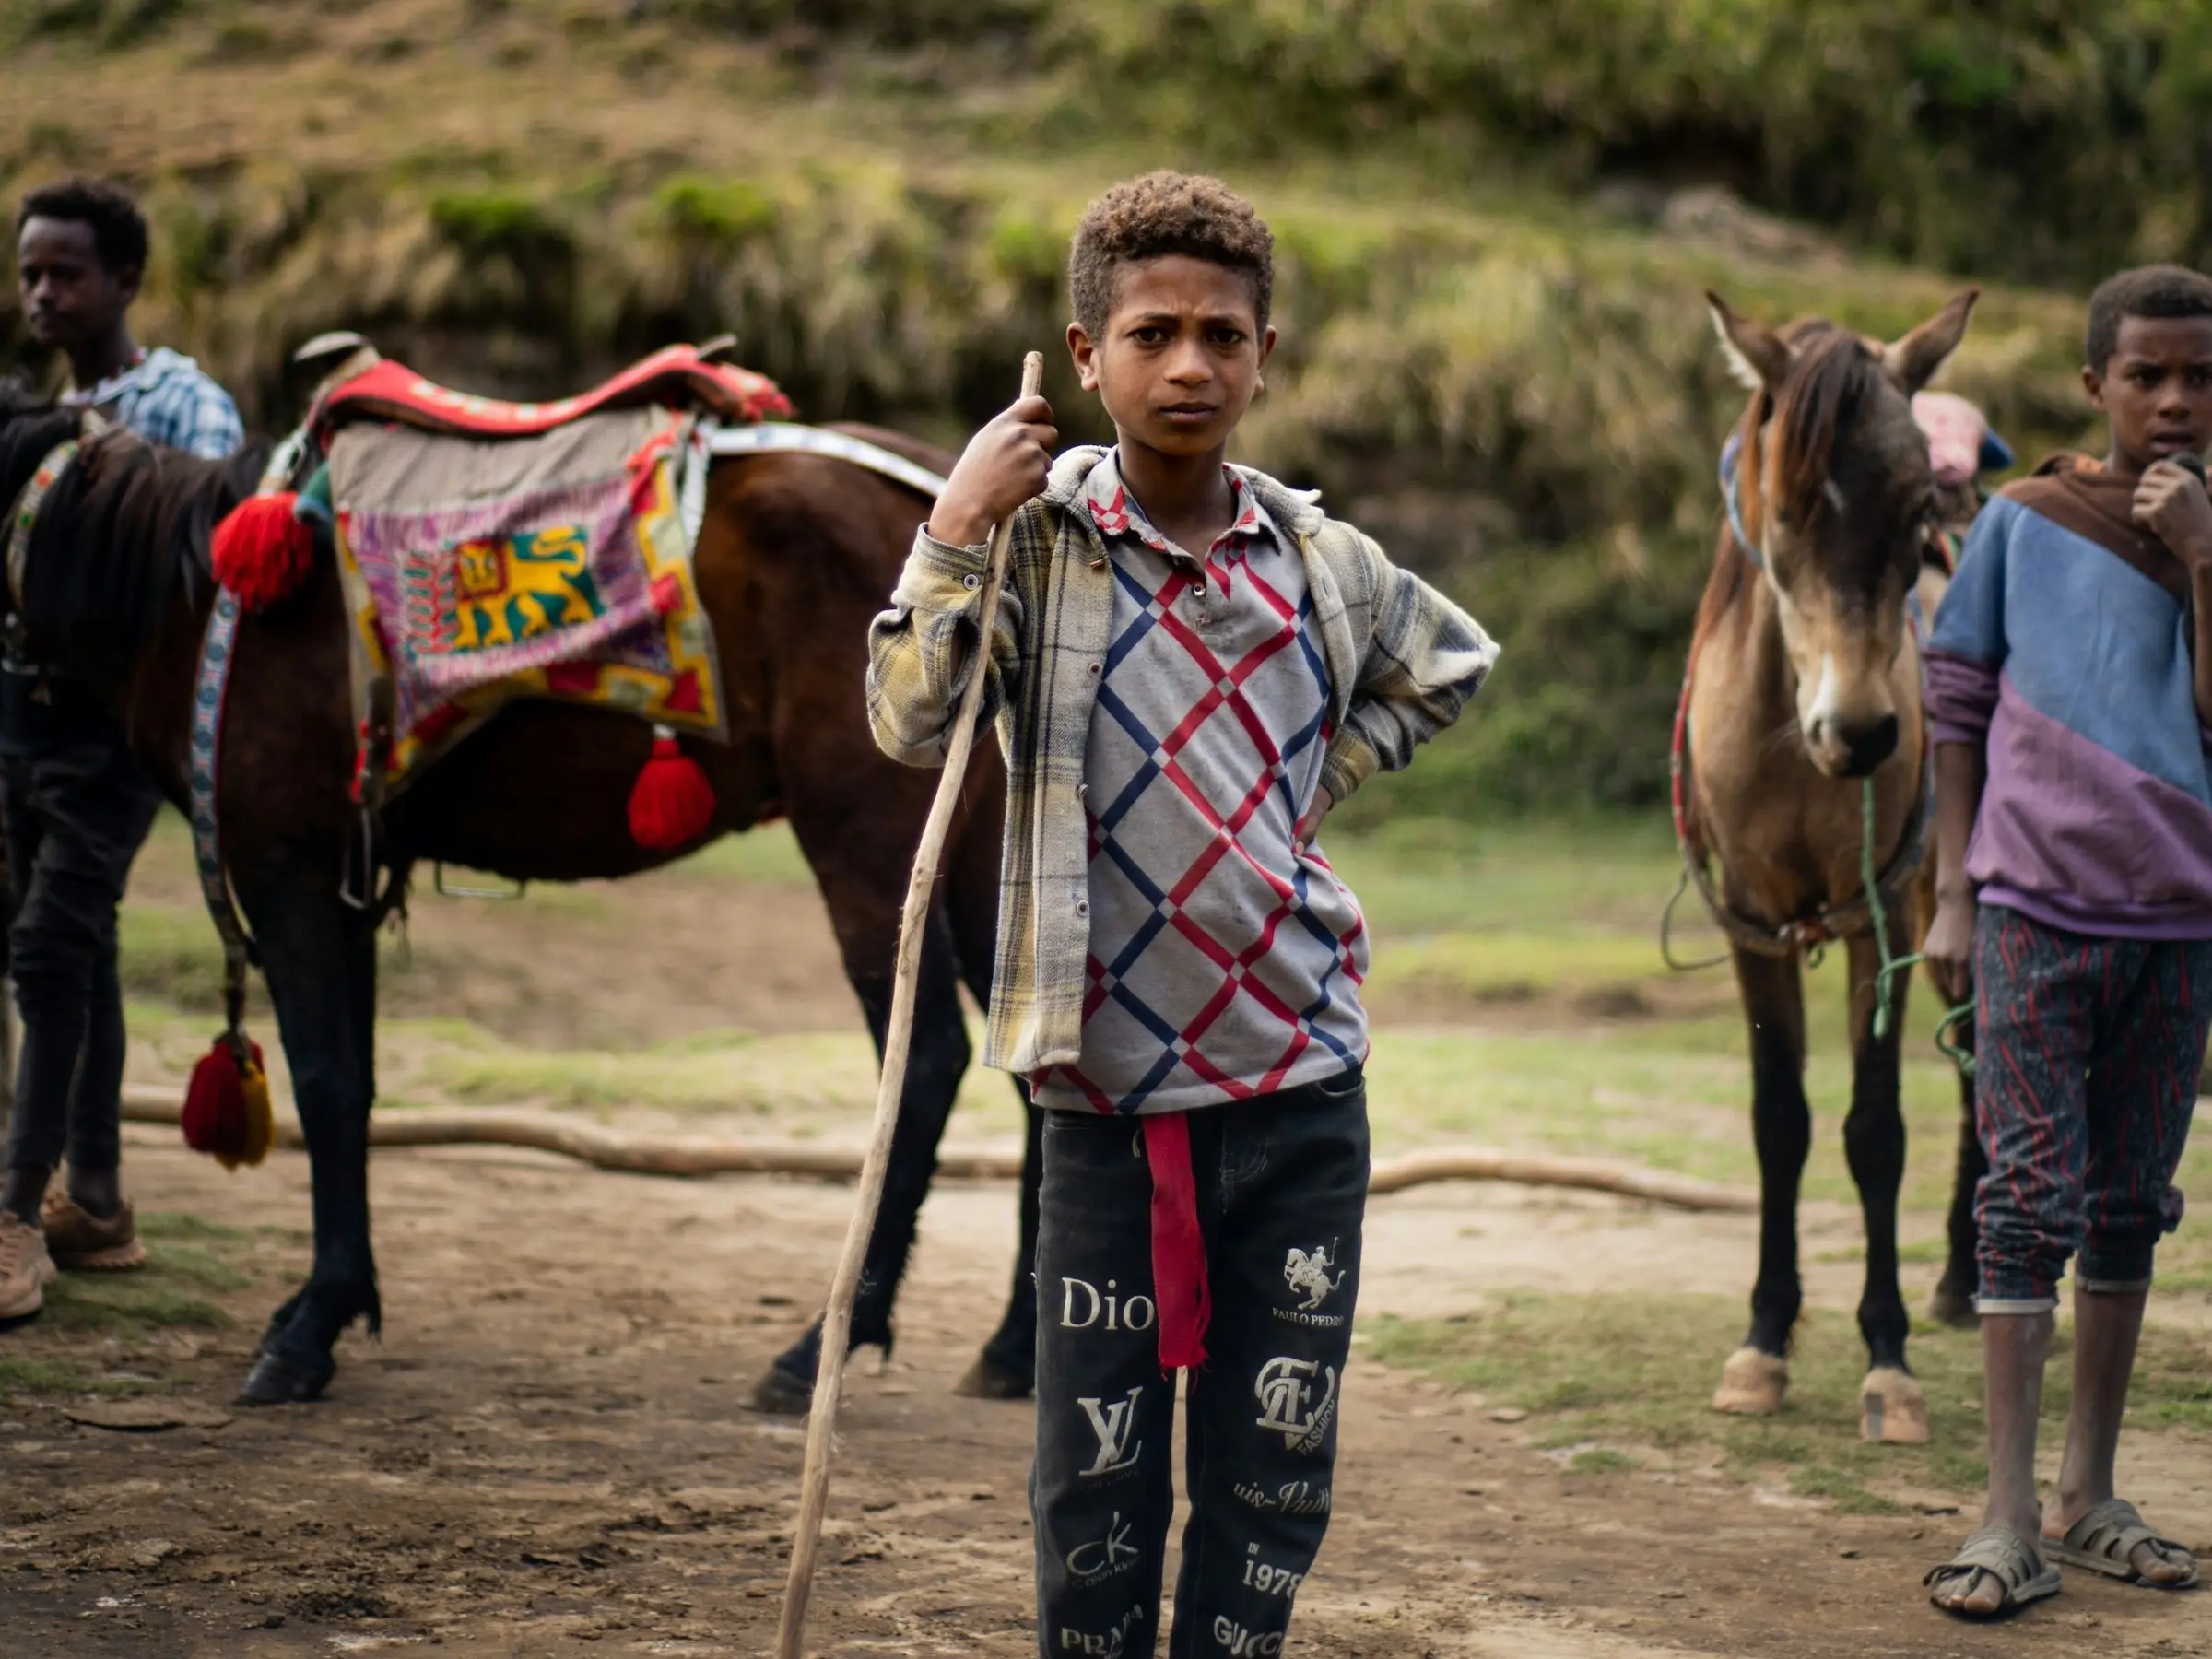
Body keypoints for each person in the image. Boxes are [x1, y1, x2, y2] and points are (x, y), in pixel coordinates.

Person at [866, 171, 1496, 1658]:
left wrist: (1305, 789)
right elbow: (907, 717)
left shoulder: (1319, 565)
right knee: (1095, 1489)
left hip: (1301, 1086)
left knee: (1273, 1481)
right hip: (1108, 1098)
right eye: (1153, 333)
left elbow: (1451, 663)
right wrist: (956, 523)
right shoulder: (1037, 549)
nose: (1192, 365)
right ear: (1086, 358)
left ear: (1268, 352)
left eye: (1224, 333)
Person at [1921, 264, 2212, 1618]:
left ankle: (2092, 1497)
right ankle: (2005, 1515)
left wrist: (2203, 557)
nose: (2172, 400)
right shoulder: (2023, 523)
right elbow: (1958, 702)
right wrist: (1950, 895)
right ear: (2095, 384)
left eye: (2198, 377)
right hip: (2034, 910)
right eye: (2145, 375)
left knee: (2127, 1204)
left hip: (2179, 923)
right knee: (2024, 1195)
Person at [0, 177, 243, 1322]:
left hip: (109, 731)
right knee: (71, 946)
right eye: (31, 272)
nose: (44, 292)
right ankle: (93, 1200)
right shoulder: (37, 413)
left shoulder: (186, 409)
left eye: (67, 273)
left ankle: (14, 1218)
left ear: (125, 283)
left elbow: (202, 577)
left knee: (50, 946)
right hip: (25, 721)